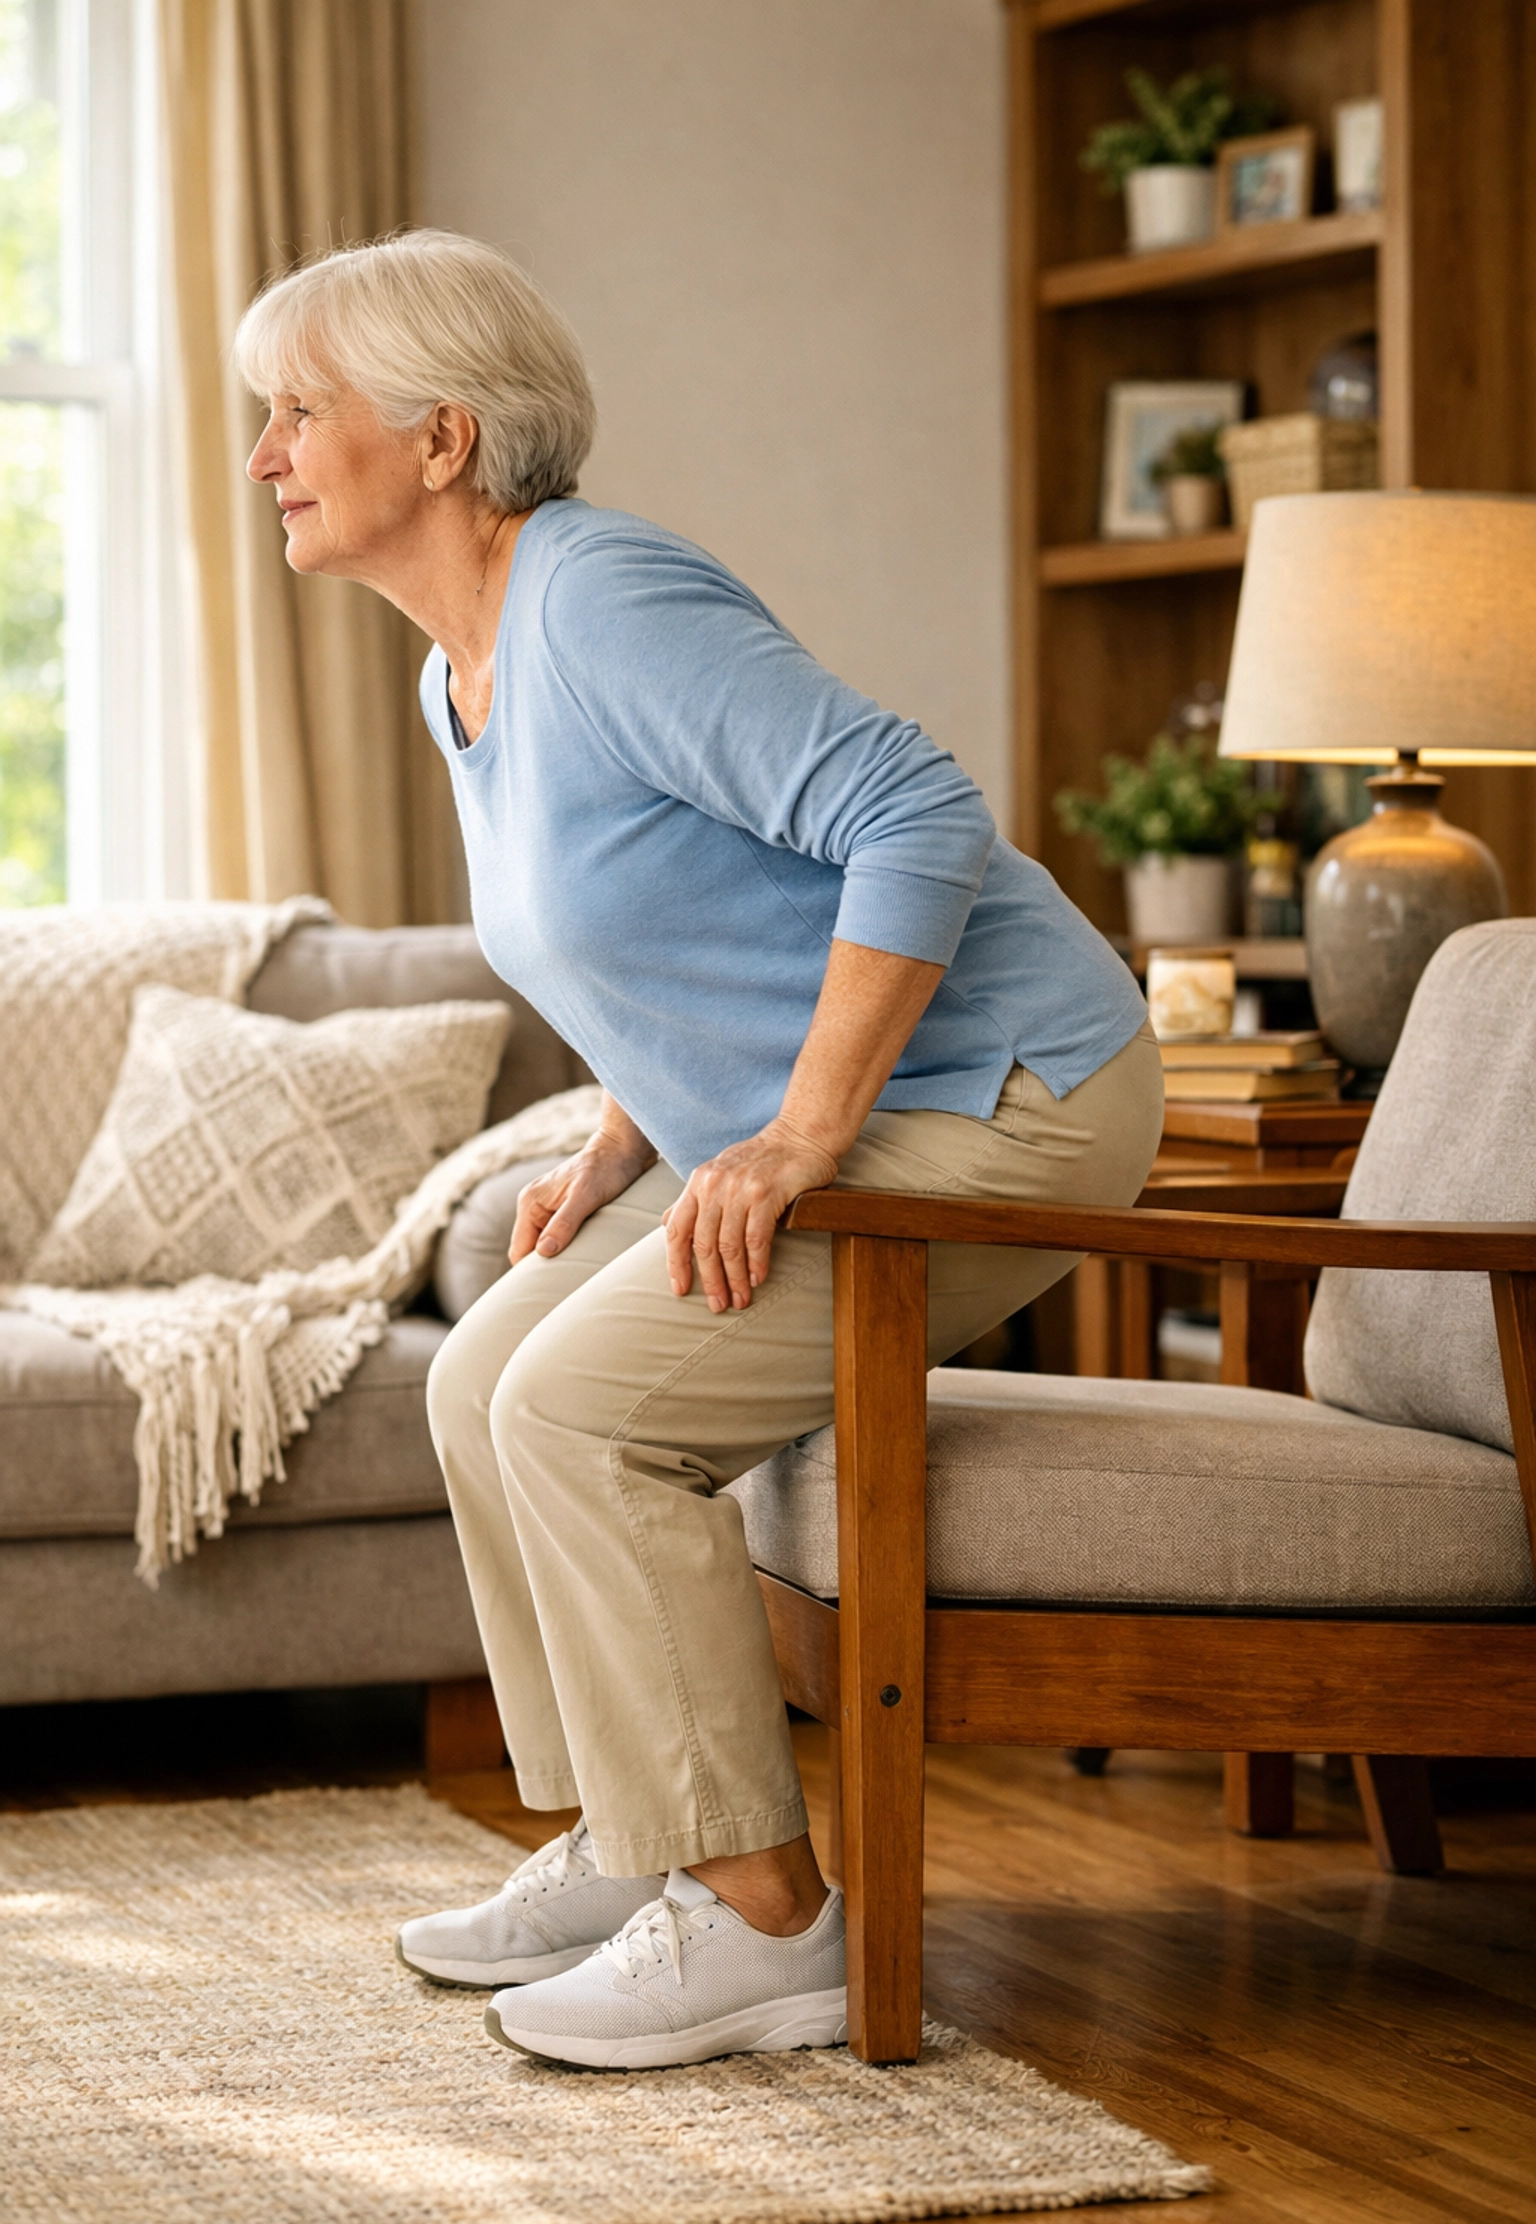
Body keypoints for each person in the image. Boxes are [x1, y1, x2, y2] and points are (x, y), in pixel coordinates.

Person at [239, 230, 1163, 2072]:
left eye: (295, 412)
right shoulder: (462, 672)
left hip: (1012, 1095)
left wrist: (802, 1133)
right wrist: (626, 1131)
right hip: (826, 1106)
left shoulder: (605, 599)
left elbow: (916, 812)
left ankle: (764, 1923)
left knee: (585, 1408)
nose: (265, 453)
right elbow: (672, 922)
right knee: (479, 1372)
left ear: (441, 439)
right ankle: (629, 1842)